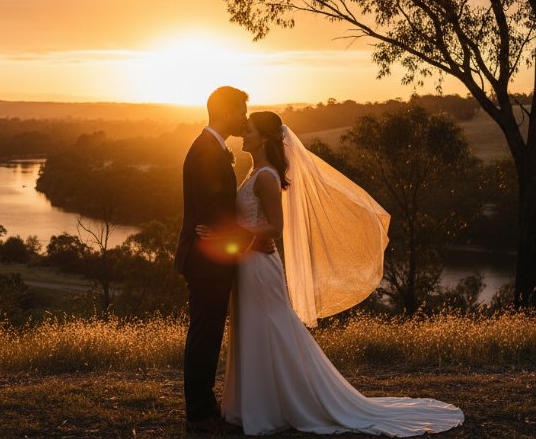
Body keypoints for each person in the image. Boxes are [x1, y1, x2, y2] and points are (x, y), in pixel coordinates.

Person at [202, 111, 465, 436]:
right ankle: (252, 405)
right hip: (247, 263)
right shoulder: (254, 172)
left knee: (272, 329)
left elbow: (276, 227)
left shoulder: (267, 177)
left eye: (250, 130)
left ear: (265, 138)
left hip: (259, 266)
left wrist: (235, 236)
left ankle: (281, 405)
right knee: (253, 330)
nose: (244, 133)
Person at [174, 87, 276, 434]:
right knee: (205, 334)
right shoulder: (205, 150)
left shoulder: (213, 148)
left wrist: (242, 238)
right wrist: (249, 238)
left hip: (212, 256)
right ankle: (200, 417)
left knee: (208, 333)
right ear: (227, 112)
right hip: (205, 259)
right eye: (241, 112)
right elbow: (214, 214)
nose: (244, 119)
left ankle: (205, 409)